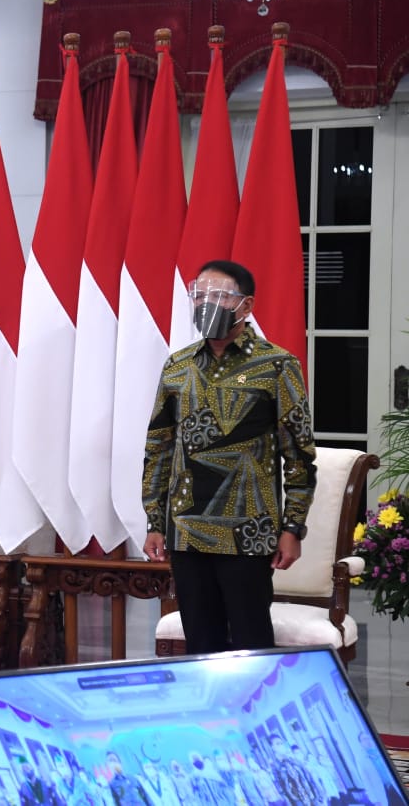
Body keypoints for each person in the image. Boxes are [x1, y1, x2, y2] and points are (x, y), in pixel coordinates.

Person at [142, 260, 316, 654]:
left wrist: (293, 528)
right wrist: (156, 521)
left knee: (252, 643)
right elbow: (159, 446)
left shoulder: (277, 365)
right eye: (200, 295)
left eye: (219, 295)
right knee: (201, 643)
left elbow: (300, 454)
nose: (207, 303)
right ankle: (210, 715)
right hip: (186, 530)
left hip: (248, 532)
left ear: (246, 305)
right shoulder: (178, 365)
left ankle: (255, 714)